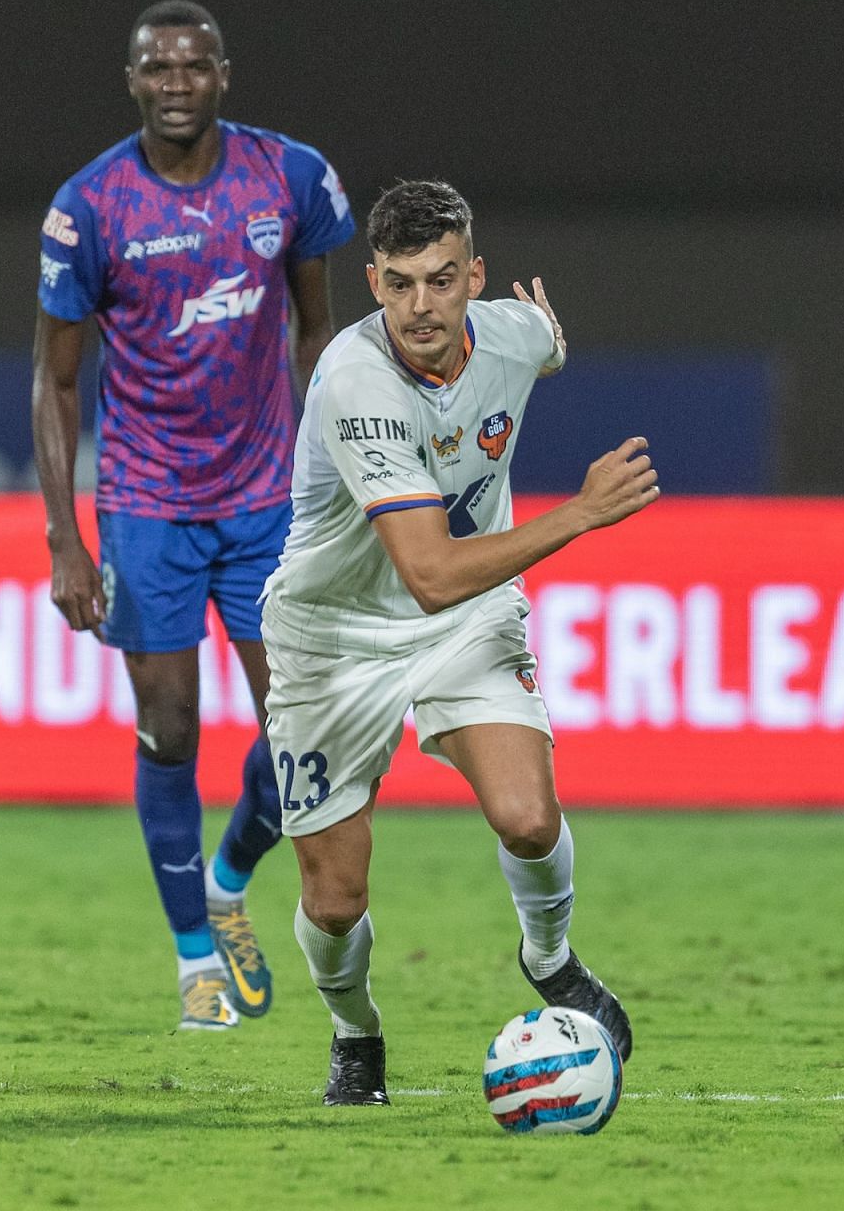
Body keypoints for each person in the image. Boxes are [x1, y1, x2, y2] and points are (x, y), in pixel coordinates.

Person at [260, 180, 653, 1105]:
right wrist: (582, 515)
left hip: (463, 622)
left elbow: (542, 342)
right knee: (334, 899)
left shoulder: (510, 336)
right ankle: (357, 1032)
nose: (421, 307)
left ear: (475, 277)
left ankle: (550, 958)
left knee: (528, 816)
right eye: (398, 285)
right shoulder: (357, 383)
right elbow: (429, 568)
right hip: (333, 639)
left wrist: (547, 331)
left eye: (442, 280)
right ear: (373, 284)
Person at [32, 0, 356, 1029]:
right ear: (133, 82)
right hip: (146, 504)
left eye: (192, 66)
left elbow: (320, 336)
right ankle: (192, 961)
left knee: (301, 725)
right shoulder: (91, 209)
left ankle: (228, 878)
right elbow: (53, 382)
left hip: (266, 502)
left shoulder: (289, 178)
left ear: (223, 74)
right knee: (170, 727)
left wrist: (342, 467)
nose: (175, 83)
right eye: (155, 68)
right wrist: (66, 538)